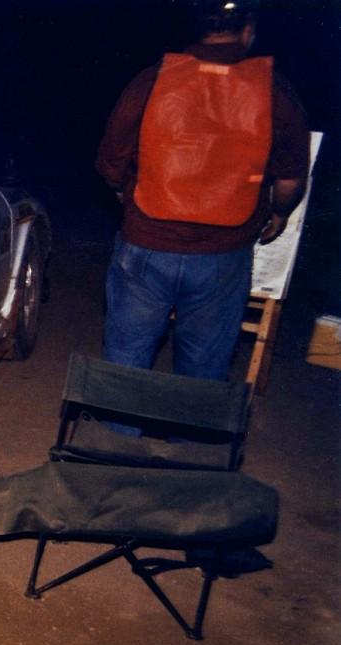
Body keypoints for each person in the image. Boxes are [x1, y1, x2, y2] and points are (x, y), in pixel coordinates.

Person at [96, 0, 310, 382]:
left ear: (198, 30)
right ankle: (186, 438)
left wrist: (125, 197)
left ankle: (116, 434)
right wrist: (279, 213)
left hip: (147, 239)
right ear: (248, 30)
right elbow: (292, 177)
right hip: (224, 251)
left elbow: (111, 159)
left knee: (127, 350)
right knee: (205, 359)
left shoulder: (152, 78)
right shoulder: (274, 90)